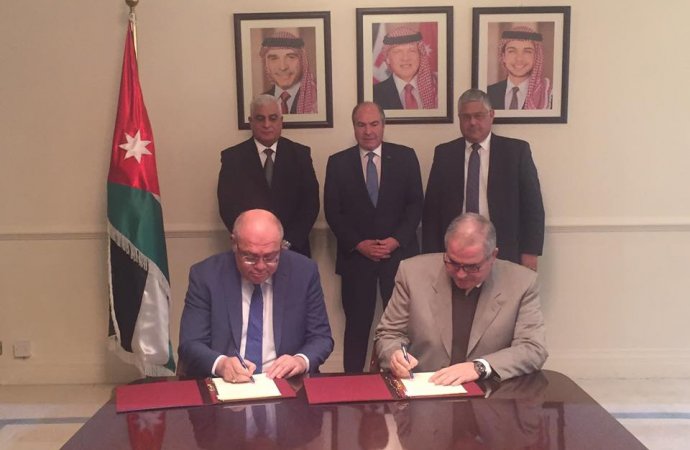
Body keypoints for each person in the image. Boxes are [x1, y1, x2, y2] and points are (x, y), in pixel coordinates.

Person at [375, 213, 547, 384]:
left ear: (493, 256)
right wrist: (395, 355)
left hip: (490, 392)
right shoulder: (412, 273)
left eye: (472, 267)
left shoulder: (521, 282)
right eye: (453, 263)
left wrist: (479, 367)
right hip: (424, 388)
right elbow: (389, 333)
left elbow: (533, 348)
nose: (461, 274)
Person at [324, 102, 424, 372]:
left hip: (398, 257)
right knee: (357, 326)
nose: (368, 131)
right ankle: (353, 383)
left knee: (403, 326)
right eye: (361, 125)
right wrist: (359, 244)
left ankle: (405, 376)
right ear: (354, 127)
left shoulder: (405, 157)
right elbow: (333, 212)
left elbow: (416, 205)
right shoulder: (338, 163)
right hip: (357, 259)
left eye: (374, 124)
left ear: (383, 125)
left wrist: (396, 240)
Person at [178, 209, 333, 382]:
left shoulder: (303, 272)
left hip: (283, 381)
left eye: (270, 257)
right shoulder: (206, 275)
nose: (260, 266)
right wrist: (221, 364)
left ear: (281, 246)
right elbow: (190, 343)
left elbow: (321, 337)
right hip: (226, 383)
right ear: (234, 243)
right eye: (250, 257)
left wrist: (300, 360)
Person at [422, 89, 544, 271]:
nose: (472, 122)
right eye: (466, 117)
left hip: (504, 248)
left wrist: (530, 253)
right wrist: (431, 256)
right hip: (455, 252)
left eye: (478, 116)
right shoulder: (444, 153)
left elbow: (532, 207)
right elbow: (431, 211)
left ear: (491, 115)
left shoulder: (516, 152)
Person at [217, 94, 319, 257]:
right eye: (260, 119)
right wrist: (251, 242)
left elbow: (310, 205)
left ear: (281, 121)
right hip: (249, 250)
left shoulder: (300, 155)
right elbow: (228, 207)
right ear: (251, 121)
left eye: (272, 118)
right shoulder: (233, 157)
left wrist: (287, 242)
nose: (266, 124)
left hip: (294, 249)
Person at [487, 26, 552, 110]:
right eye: (512, 51)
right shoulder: (487, 93)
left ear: (536, 57)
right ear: (503, 57)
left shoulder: (547, 95)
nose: (519, 59)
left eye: (527, 52)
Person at [373, 27, 437, 110]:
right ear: (387, 58)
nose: (405, 58)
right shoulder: (374, 94)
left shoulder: (437, 88)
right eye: (398, 51)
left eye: (412, 51)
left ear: (420, 55)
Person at [260, 31, 317, 114]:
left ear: (302, 61)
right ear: (266, 64)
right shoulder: (261, 102)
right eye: (274, 58)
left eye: (291, 57)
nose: (282, 67)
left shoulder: (316, 101)